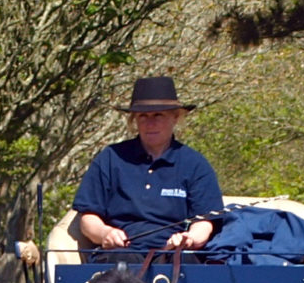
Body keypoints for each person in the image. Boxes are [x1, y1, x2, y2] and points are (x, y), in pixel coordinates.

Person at [74, 76, 224, 254]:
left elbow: (205, 222)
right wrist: (105, 233)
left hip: (175, 255)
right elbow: (88, 218)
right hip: (120, 253)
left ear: (175, 117)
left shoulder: (195, 164)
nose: (150, 123)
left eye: (158, 115)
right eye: (143, 116)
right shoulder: (110, 158)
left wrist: (188, 239)